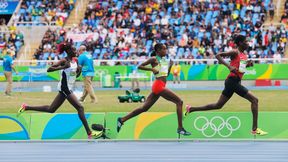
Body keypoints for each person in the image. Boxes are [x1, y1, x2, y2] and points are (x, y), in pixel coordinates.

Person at [185, 34, 268, 136]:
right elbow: (218, 55)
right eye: (246, 41)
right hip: (232, 81)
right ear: (240, 43)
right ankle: (255, 129)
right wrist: (229, 66)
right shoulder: (234, 52)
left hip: (235, 82)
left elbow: (240, 68)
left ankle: (191, 109)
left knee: (218, 105)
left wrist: (248, 64)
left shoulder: (244, 55)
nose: (248, 43)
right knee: (255, 100)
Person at [17, 42, 101, 139]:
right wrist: (63, 67)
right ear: (68, 51)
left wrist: (79, 71)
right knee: (80, 107)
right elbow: (49, 69)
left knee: (51, 109)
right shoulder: (64, 61)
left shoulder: (76, 61)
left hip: (69, 88)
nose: (76, 51)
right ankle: (89, 133)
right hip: (64, 88)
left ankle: (26, 107)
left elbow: (75, 76)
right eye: (74, 50)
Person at [116, 43, 191, 136]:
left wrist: (170, 66)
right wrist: (152, 70)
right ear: (158, 50)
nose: (165, 51)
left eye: (165, 49)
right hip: (159, 86)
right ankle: (180, 128)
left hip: (160, 85)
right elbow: (139, 66)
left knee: (144, 108)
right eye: (163, 49)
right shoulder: (154, 59)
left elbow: (165, 75)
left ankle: (122, 119)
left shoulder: (163, 60)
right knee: (179, 102)